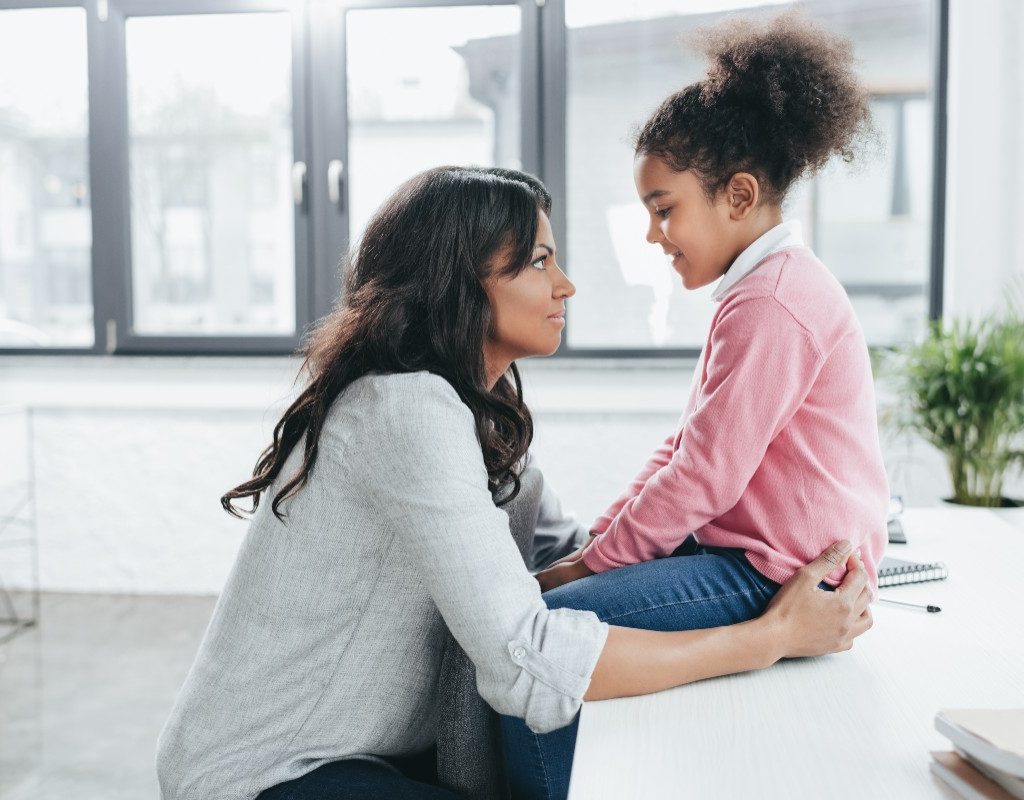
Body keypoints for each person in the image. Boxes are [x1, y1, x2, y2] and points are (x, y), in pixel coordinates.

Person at [155, 165, 871, 800]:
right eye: (537, 262)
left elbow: (571, 556)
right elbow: (525, 658)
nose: (566, 284)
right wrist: (771, 634)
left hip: (378, 754)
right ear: (458, 286)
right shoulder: (404, 412)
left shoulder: (473, 417)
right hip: (272, 773)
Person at [512, 13, 889, 799]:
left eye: (664, 208)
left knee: (544, 642)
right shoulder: (761, 289)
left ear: (739, 195)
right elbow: (686, 451)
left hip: (774, 574)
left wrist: (589, 566)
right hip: (747, 556)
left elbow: (703, 478)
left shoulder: (775, 301)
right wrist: (601, 544)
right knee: (561, 599)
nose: (654, 235)